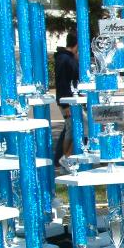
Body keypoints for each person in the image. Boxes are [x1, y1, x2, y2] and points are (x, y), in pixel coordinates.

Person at [54, 32, 79, 164]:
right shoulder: (66, 60)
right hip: (68, 99)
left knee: (69, 128)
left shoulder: (64, 58)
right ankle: (65, 157)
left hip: (67, 98)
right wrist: (66, 104)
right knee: (75, 128)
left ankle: (60, 157)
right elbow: (63, 83)